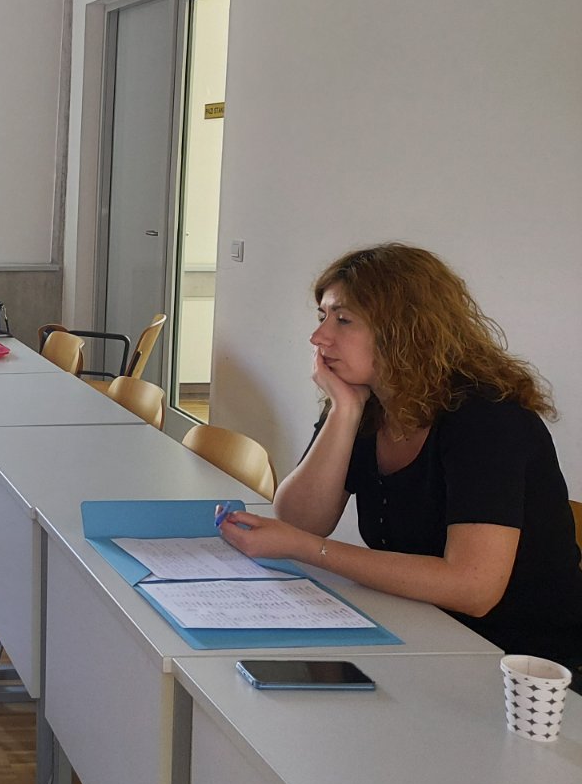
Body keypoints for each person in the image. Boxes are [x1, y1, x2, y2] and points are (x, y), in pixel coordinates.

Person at [220, 243, 582, 678]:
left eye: (343, 319)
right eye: (322, 317)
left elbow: (473, 588)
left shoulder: (488, 418)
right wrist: (344, 411)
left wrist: (309, 551)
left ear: (403, 330)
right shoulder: (368, 402)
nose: (319, 337)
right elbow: (301, 519)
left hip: (522, 666)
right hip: (422, 631)